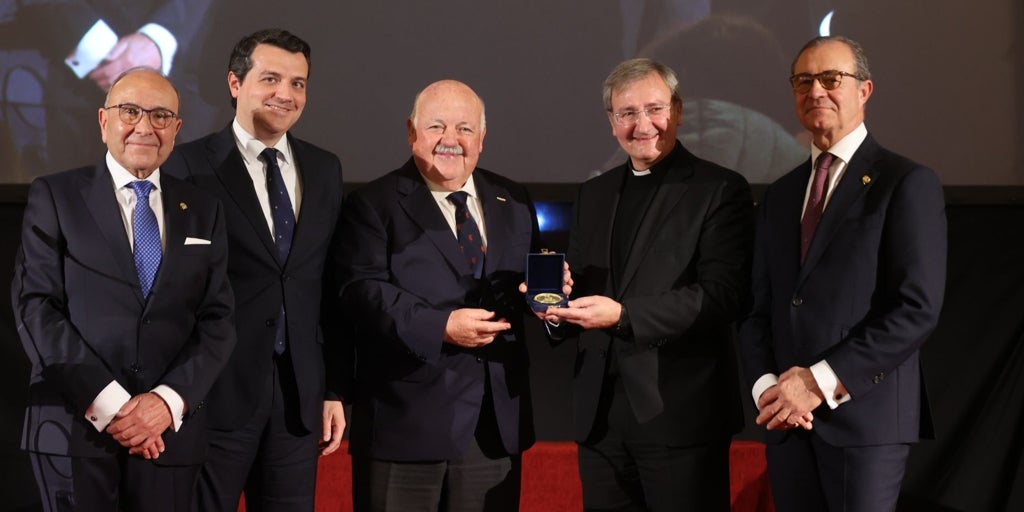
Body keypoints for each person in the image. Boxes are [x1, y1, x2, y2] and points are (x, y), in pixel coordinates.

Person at [10, 68, 235, 512]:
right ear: (103, 120)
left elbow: (219, 319)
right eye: (130, 111)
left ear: (176, 129)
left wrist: (164, 404)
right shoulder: (56, 195)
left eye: (161, 115)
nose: (144, 126)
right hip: (75, 431)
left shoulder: (203, 210)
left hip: (167, 439)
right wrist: (113, 405)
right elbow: (36, 307)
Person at [738, 35, 946, 512]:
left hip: (864, 425)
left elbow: (916, 309)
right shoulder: (781, 195)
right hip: (787, 425)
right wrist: (767, 389)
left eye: (832, 79)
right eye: (803, 81)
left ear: (864, 90)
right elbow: (757, 308)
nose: (816, 91)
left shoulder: (905, 183)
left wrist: (815, 383)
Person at [543, 58, 754, 511]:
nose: (643, 126)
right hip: (600, 423)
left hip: (680, 420)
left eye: (654, 109)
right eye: (627, 113)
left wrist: (624, 316)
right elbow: (579, 288)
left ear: (677, 110)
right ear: (611, 122)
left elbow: (722, 295)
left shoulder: (719, 189)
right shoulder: (593, 195)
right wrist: (553, 303)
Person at [162, 29, 347, 511]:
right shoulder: (187, 166)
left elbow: (325, 285)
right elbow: (171, 289)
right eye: (270, 79)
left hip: (297, 400)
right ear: (234, 83)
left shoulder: (325, 169)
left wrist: (331, 389)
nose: (286, 94)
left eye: (299, 83)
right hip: (212, 395)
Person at [338, 79, 539, 511]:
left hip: (492, 429)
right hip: (405, 427)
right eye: (436, 127)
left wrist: (549, 300)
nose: (451, 140)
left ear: (482, 139)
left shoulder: (513, 199)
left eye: (465, 129)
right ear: (412, 132)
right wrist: (441, 327)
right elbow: (361, 291)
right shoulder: (373, 204)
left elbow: (524, 288)